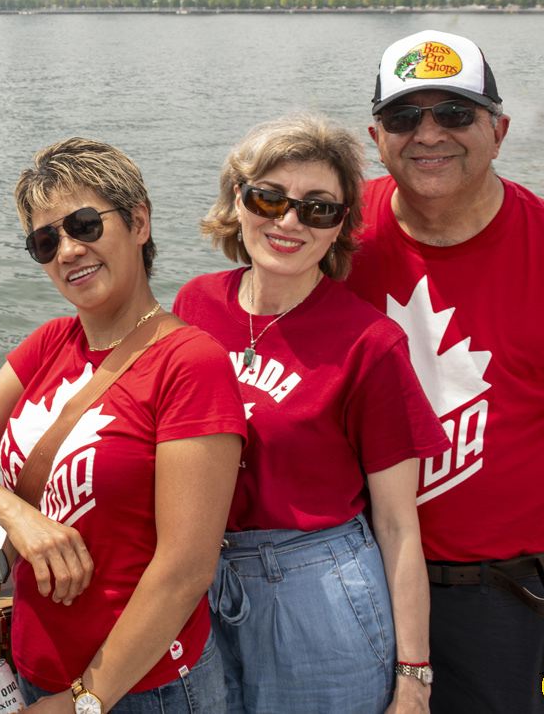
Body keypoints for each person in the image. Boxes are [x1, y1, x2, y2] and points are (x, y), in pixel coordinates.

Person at [345, 29, 544, 713]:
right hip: (358, 575)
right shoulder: (335, 237)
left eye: (455, 113)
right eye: (405, 117)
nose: (429, 134)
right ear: (376, 138)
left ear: (500, 130)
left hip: (509, 603)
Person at [0, 138, 244, 714]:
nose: (67, 250)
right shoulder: (48, 345)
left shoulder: (189, 362)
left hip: (145, 686)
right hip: (35, 667)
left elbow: (186, 569)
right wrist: (19, 516)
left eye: (84, 224)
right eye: (45, 240)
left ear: (139, 222)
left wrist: (84, 699)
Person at [174, 114, 450, 714]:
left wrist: (414, 678)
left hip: (318, 591)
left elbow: (400, 525)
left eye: (318, 208)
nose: (289, 222)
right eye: (268, 198)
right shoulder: (194, 305)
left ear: (340, 228)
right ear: (238, 203)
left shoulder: (369, 343)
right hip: (198, 584)